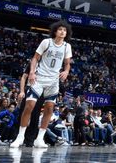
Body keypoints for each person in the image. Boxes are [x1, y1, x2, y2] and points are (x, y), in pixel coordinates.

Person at [10, 21, 73, 149]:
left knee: (49, 108)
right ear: (55, 31)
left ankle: (39, 139)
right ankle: (20, 137)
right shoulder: (46, 42)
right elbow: (35, 58)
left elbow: (67, 63)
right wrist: (32, 72)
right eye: (60, 29)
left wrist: (66, 71)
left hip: (53, 81)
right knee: (29, 106)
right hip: (39, 78)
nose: (62, 32)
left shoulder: (67, 46)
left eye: (65, 30)